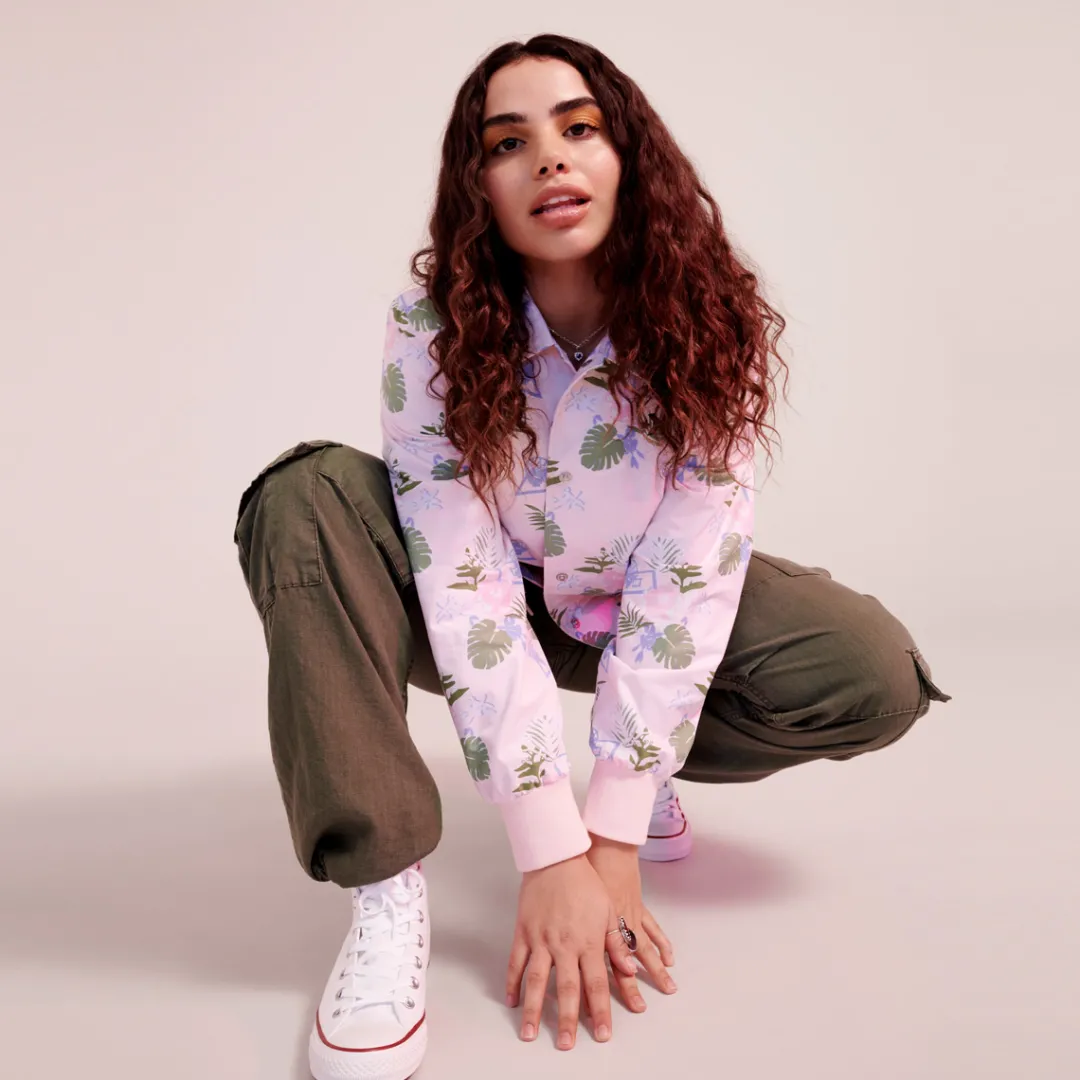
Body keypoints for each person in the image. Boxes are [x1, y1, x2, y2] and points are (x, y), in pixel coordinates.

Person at [232, 33, 953, 1080]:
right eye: (508, 142)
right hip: (478, 597)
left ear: (628, 155)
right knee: (303, 494)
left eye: (580, 128)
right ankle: (384, 892)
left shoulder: (713, 315)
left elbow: (690, 571)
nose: (550, 158)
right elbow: (461, 573)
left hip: (633, 599)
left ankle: (641, 766)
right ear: (477, 186)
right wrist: (548, 849)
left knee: (869, 671)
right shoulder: (429, 327)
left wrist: (610, 832)